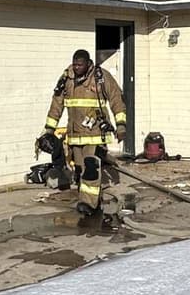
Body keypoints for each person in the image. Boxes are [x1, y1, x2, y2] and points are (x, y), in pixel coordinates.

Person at [41, 49, 127, 213]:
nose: (76, 67)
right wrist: (49, 130)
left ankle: (88, 204)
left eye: (80, 65)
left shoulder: (101, 77)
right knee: (80, 170)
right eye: (74, 64)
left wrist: (121, 125)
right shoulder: (67, 78)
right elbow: (57, 104)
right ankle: (92, 200)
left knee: (91, 168)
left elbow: (117, 99)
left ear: (88, 64)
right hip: (75, 135)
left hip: (96, 134)